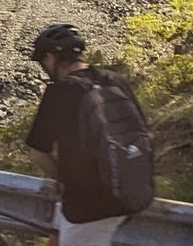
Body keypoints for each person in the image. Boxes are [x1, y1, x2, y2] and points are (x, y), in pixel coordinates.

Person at [25, 23, 142, 246]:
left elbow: (39, 152)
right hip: (126, 189)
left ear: (51, 58)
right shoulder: (115, 80)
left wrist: (64, 178)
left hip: (90, 205)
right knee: (55, 239)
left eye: (43, 61)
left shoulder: (60, 92)